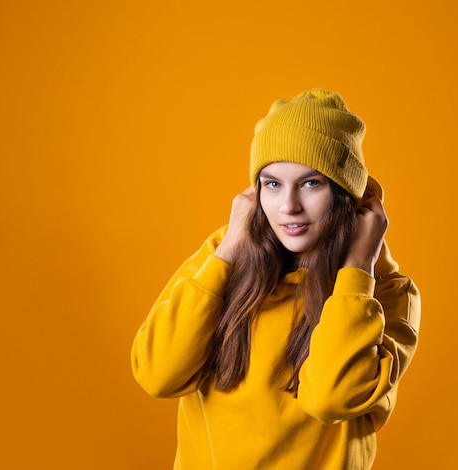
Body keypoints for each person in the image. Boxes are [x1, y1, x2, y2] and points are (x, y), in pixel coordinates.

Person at [131, 88, 421, 470]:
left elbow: (331, 398)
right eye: (272, 183)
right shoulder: (222, 258)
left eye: (311, 183)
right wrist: (230, 248)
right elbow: (157, 375)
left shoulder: (383, 292)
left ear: (345, 193)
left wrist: (357, 268)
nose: (288, 206)